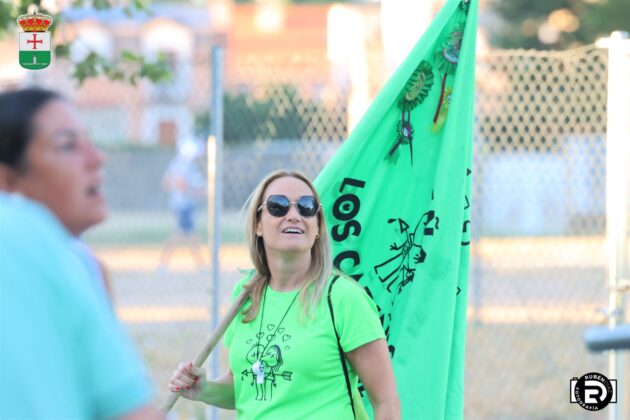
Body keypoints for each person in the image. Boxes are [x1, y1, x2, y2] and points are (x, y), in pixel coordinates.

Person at [169, 170, 401, 419]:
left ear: (318, 228)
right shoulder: (246, 296)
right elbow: (249, 387)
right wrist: (206, 389)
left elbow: (386, 402)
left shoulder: (343, 298)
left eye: (306, 207)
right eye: (278, 206)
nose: (294, 215)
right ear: (258, 224)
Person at [0, 88, 162, 419]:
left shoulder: (83, 264)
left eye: (89, 141)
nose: (96, 158)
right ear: (8, 181)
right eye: (67, 145)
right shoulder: (39, 242)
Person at [158, 138, 206, 271]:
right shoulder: (182, 165)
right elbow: (180, 184)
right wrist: (198, 191)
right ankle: (200, 264)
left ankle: (165, 263)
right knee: (185, 235)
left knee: (186, 234)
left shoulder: (186, 165)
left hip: (186, 204)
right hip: (182, 205)